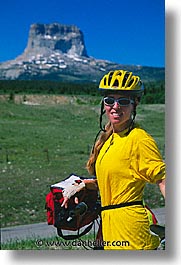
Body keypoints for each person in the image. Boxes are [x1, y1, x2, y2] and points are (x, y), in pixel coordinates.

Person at [62, 69, 165, 250]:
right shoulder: (109, 139)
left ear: (135, 104)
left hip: (131, 231)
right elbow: (118, 181)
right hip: (109, 229)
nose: (115, 106)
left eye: (123, 101)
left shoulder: (139, 139)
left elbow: (164, 179)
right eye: (110, 100)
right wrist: (85, 185)